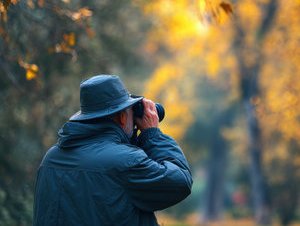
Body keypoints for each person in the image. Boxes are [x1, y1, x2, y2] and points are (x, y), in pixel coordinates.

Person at [33, 75, 192, 225]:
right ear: (122, 117)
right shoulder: (124, 161)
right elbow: (180, 181)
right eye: (131, 112)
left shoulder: (51, 159)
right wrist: (152, 134)